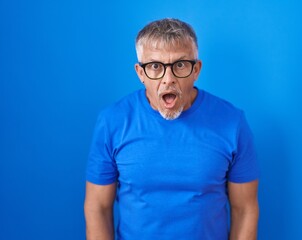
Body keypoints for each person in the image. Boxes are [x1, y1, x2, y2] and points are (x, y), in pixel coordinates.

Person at [84, 18, 260, 240]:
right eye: (155, 66)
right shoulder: (112, 122)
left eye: (180, 65)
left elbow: (244, 209)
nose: (169, 79)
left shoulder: (233, 123)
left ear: (196, 70)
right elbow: (97, 206)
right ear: (140, 73)